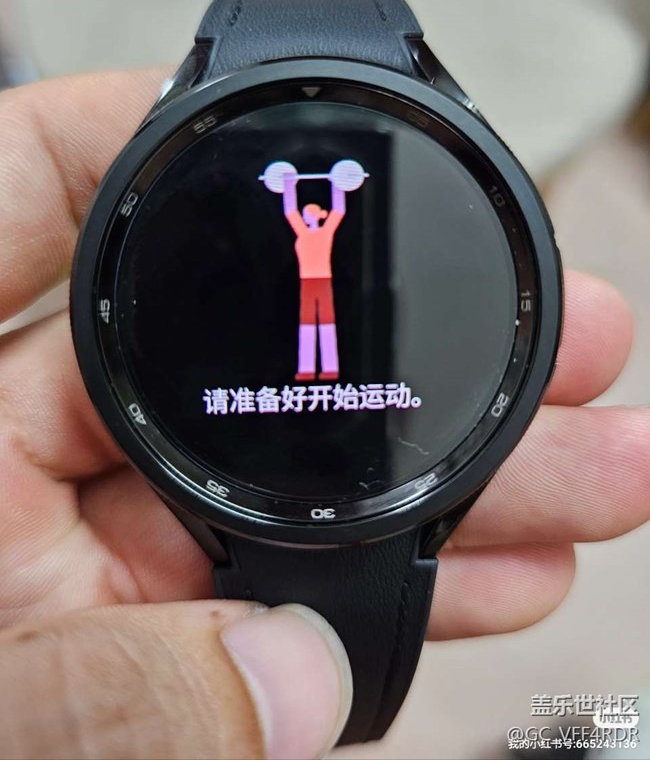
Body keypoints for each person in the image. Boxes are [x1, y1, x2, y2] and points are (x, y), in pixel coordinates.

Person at [0, 70, 647, 760]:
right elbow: (298, 210)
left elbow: (326, 211)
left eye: (316, 210)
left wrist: (328, 194)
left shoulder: (324, 223)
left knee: (322, 346)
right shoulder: (302, 222)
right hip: (302, 341)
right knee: (316, 345)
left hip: (321, 309)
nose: (311, 216)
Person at [282, 167, 346, 381]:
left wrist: (338, 183)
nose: (304, 217)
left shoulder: (325, 232)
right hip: (309, 282)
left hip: (321, 281)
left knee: (325, 323)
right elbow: (290, 211)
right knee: (308, 323)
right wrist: (288, 184)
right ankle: (307, 369)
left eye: (307, 214)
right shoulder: (304, 231)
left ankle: (329, 368)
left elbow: (338, 211)